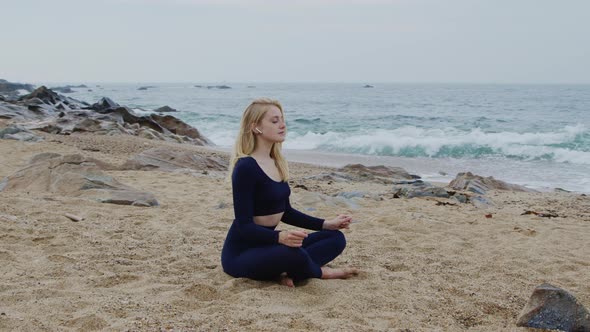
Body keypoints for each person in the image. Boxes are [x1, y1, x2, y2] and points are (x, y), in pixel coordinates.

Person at [221, 98, 358, 287]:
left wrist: (328, 224)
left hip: (270, 246)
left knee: (335, 238)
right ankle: (320, 273)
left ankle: (288, 271)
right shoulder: (245, 166)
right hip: (242, 253)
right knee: (291, 252)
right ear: (256, 127)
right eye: (274, 121)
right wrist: (279, 237)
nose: (283, 125)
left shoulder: (278, 163)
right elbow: (244, 226)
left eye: (282, 120)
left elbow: (286, 211)